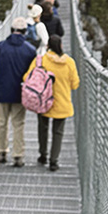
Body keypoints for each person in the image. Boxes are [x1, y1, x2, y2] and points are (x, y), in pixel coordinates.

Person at [0, 16, 36, 167]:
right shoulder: (30, 50)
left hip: (2, 92)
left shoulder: (0, 47)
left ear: (11, 30)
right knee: (18, 123)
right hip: (20, 93)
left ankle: (1, 152)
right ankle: (18, 155)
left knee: (2, 122)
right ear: (25, 31)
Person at [25, 34, 79, 171]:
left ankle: (43, 154)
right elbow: (74, 85)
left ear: (48, 46)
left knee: (42, 128)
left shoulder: (41, 60)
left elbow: (27, 77)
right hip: (62, 103)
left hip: (43, 101)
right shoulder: (70, 63)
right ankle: (53, 161)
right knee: (58, 132)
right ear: (61, 46)